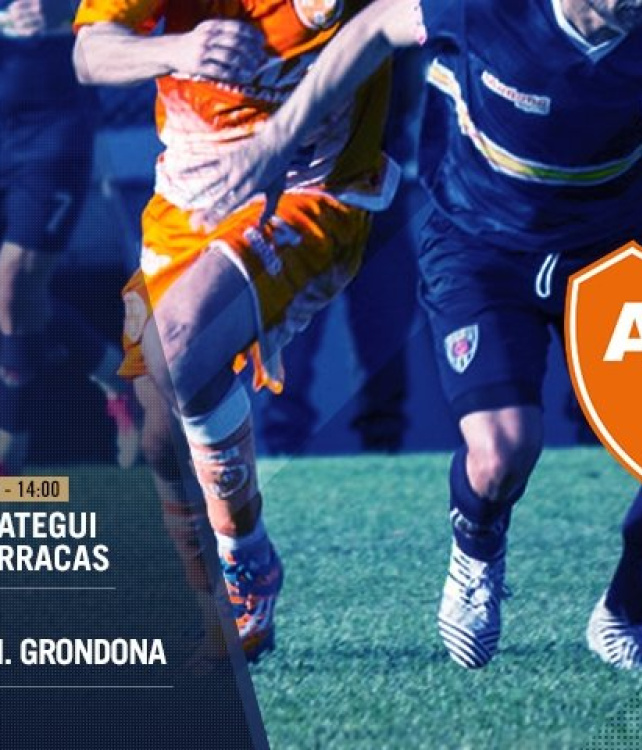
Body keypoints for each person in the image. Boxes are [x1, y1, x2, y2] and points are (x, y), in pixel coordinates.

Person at [188, 0, 642, 671]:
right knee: (503, 452)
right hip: (479, 247)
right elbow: (372, 25)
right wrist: (274, 143)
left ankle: (622, 620)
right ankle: (476, 556)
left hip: (617, 253)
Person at [71, 0, 424, 661]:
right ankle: (234, 588)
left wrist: (276, 141)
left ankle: (243, 570)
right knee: (156, 430)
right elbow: (90, 52)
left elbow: (387, 20)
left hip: (309, 189)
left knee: (177, 347)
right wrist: (177, 50)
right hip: (189, 195)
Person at [0, 0, 138, 477]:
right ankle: (114, 373)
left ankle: (10, 452)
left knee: (15, 282)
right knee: (15, 295)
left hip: (51, 123)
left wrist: (62, 8)